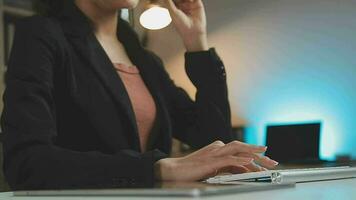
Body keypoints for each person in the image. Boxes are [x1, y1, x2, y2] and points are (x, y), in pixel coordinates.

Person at [1, 0, 278, 190]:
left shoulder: (144, 59)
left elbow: (214, 141)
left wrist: (197, 44)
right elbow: (26, 163)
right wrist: (158, 168)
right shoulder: (42, 35)